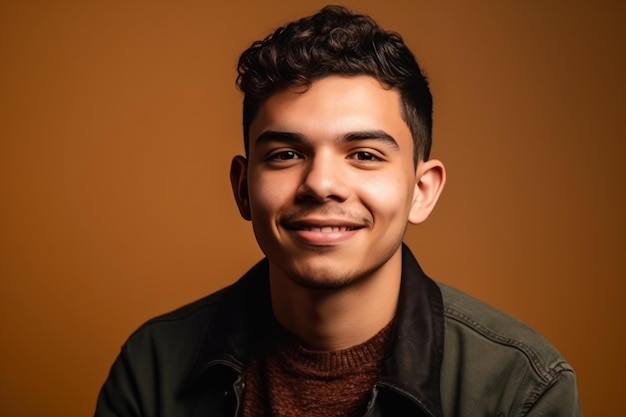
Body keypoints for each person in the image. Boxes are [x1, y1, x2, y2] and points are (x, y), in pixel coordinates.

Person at [94, 5, 582, 416]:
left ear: (422, 190)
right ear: (243, 188)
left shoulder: (520, 387)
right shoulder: (153, 368)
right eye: (286, 154)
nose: (321, 184)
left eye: (364, 155)